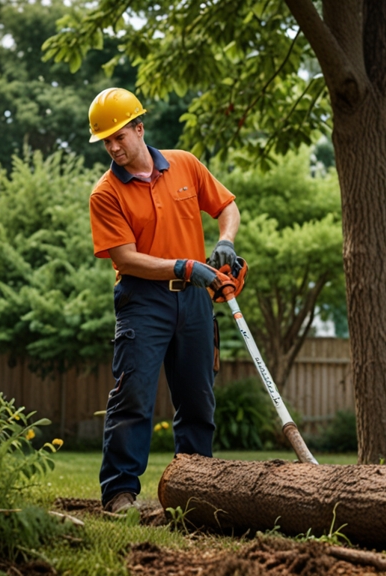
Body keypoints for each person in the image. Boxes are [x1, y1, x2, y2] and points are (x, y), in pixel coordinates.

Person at [86, 87, 241, 513]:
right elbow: (125, 258)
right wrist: (184, 267)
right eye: (106, 141)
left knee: (197, 398)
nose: (113, 147)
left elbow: (227, 205)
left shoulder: (185, 165)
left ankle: (196, 490)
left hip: (194, 302)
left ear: (139, 127)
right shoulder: (105, 194)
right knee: (132, 395)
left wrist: (225, 243)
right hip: (143, 300)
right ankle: (119, 493)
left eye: (119, 136)